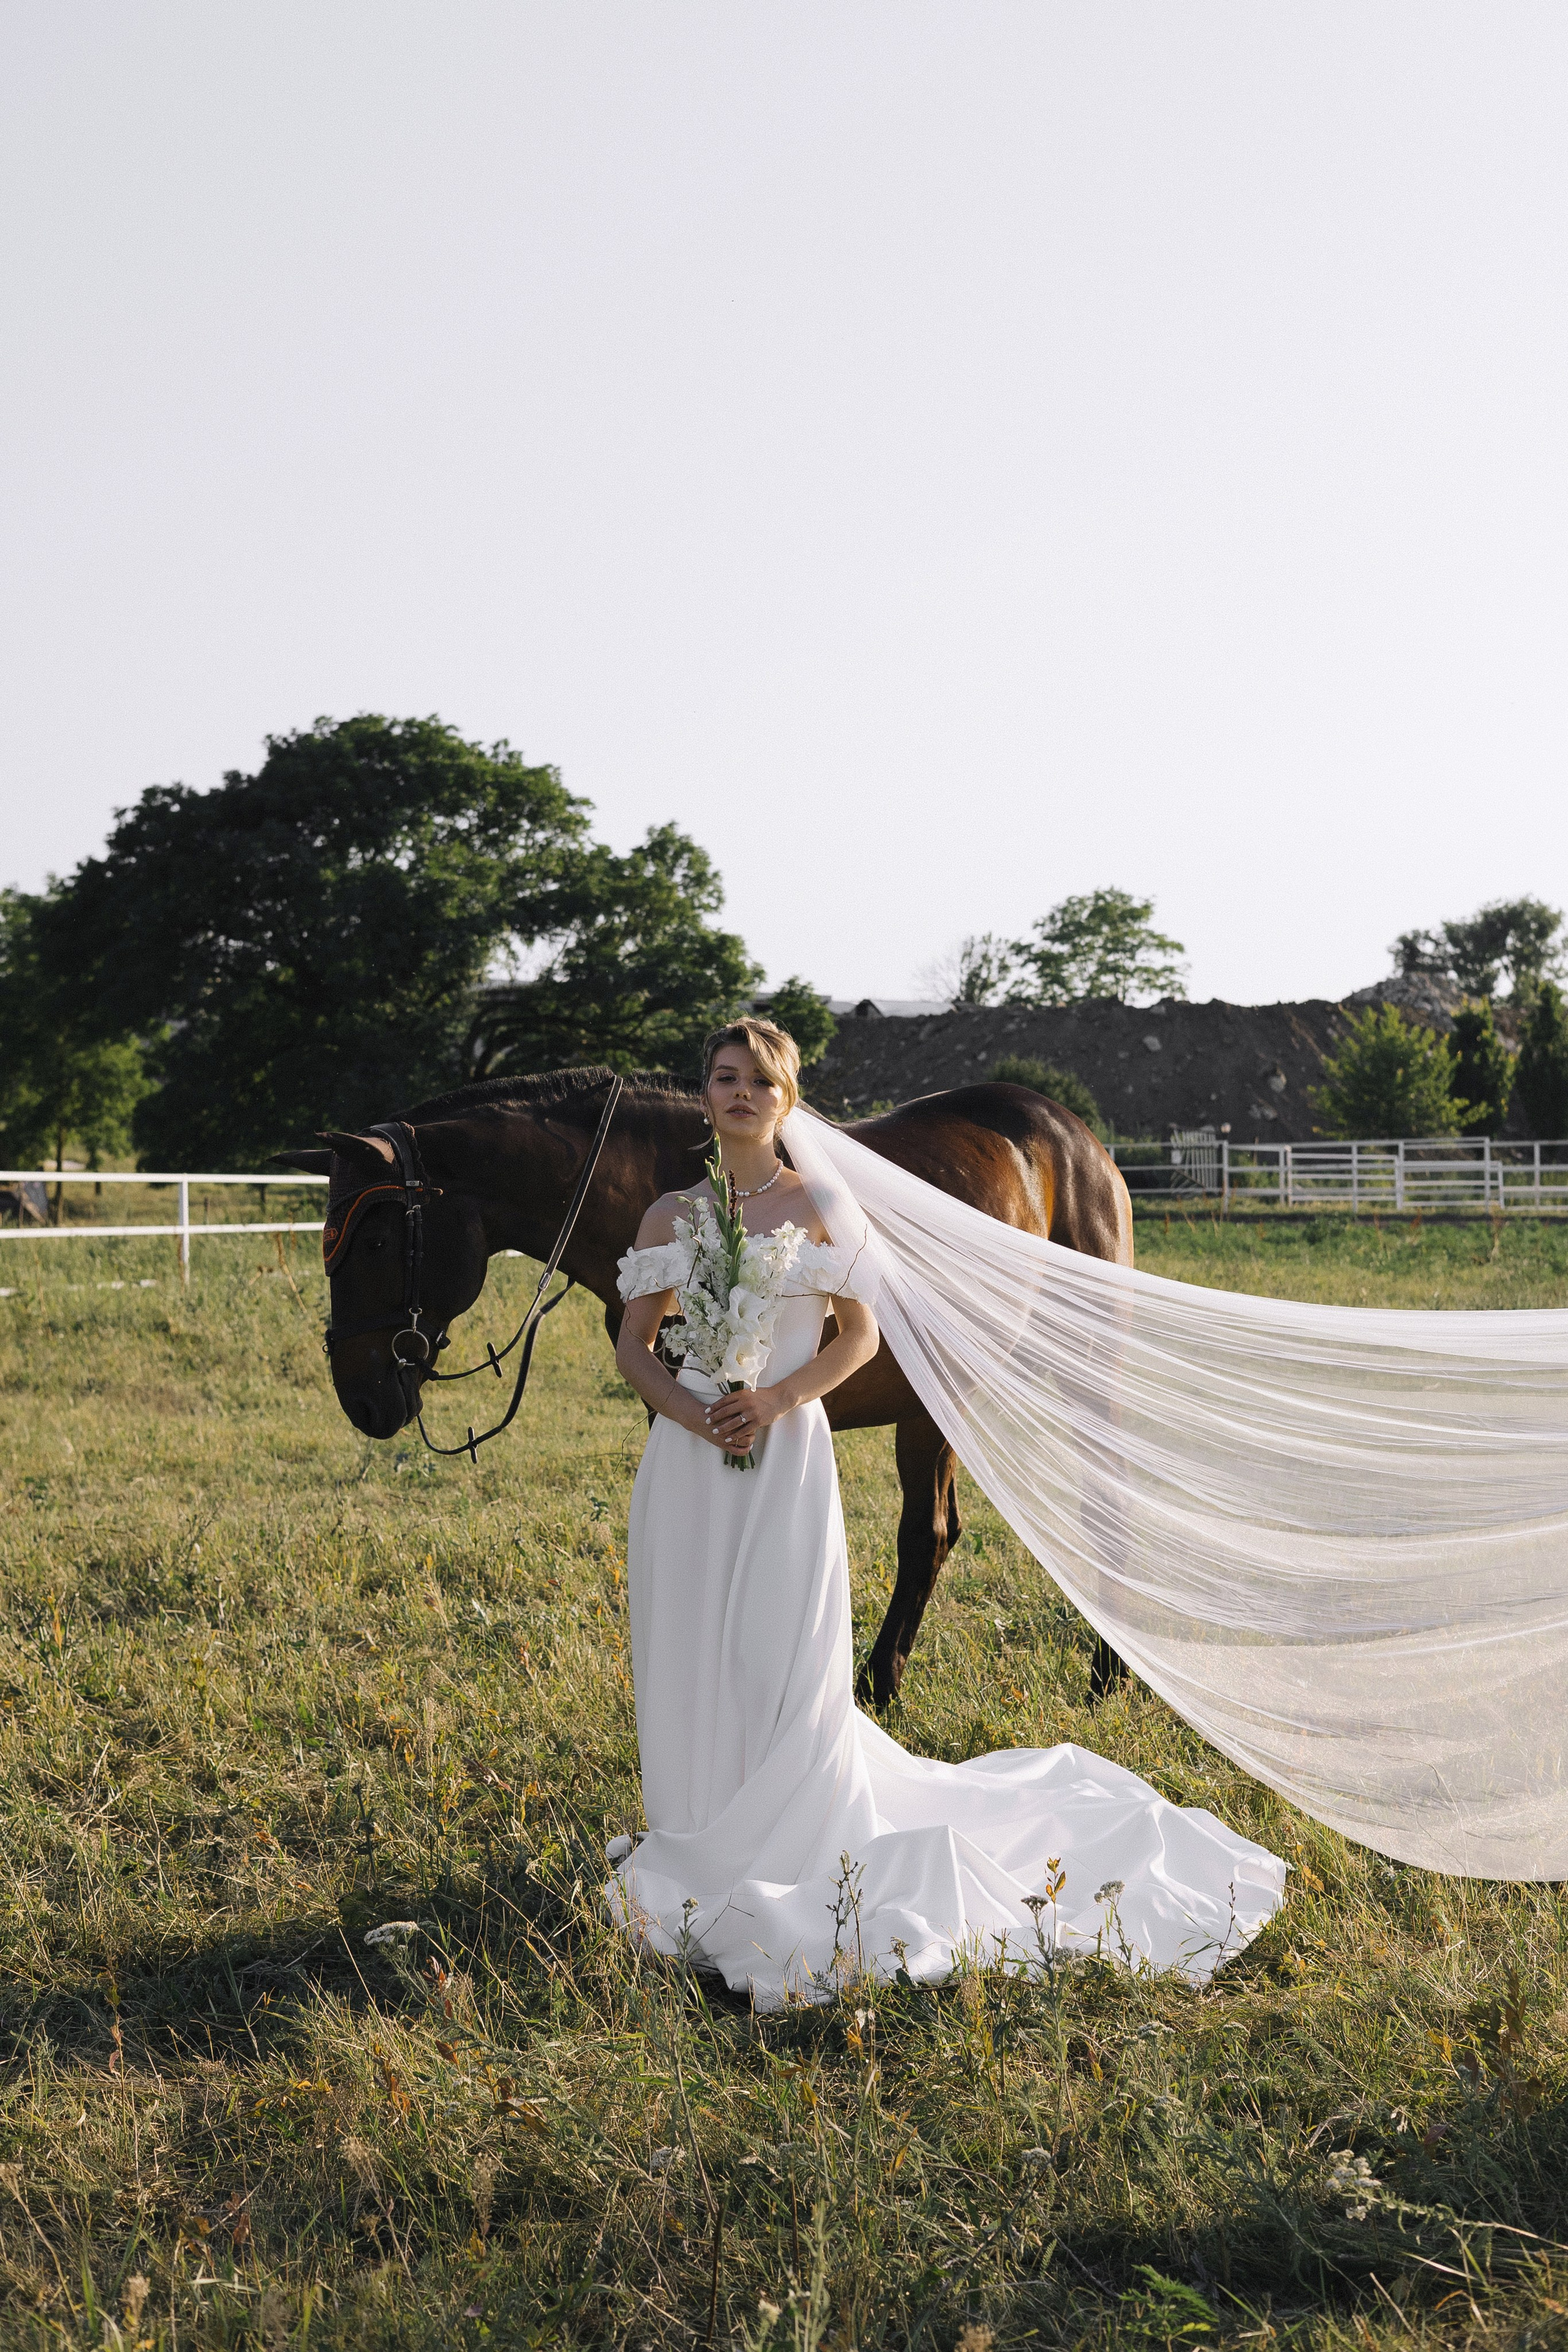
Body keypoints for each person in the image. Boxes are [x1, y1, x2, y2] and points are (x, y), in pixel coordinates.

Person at [609, 1017, 1284, 2008]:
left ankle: (790, 1831)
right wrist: (692, 1415)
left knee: (775, 1649)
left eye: (760, 1079)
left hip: (784, 1452)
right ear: (703, 1094)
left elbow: (859, 1337)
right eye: (723, 1077)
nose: (740, 1093)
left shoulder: (819, 1205)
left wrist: (777, 1400)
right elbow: (634, 1344)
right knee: (689, 1647)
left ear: (788, 1101)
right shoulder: (671, 1214)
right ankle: (698, 1828)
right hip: (689, 1461)